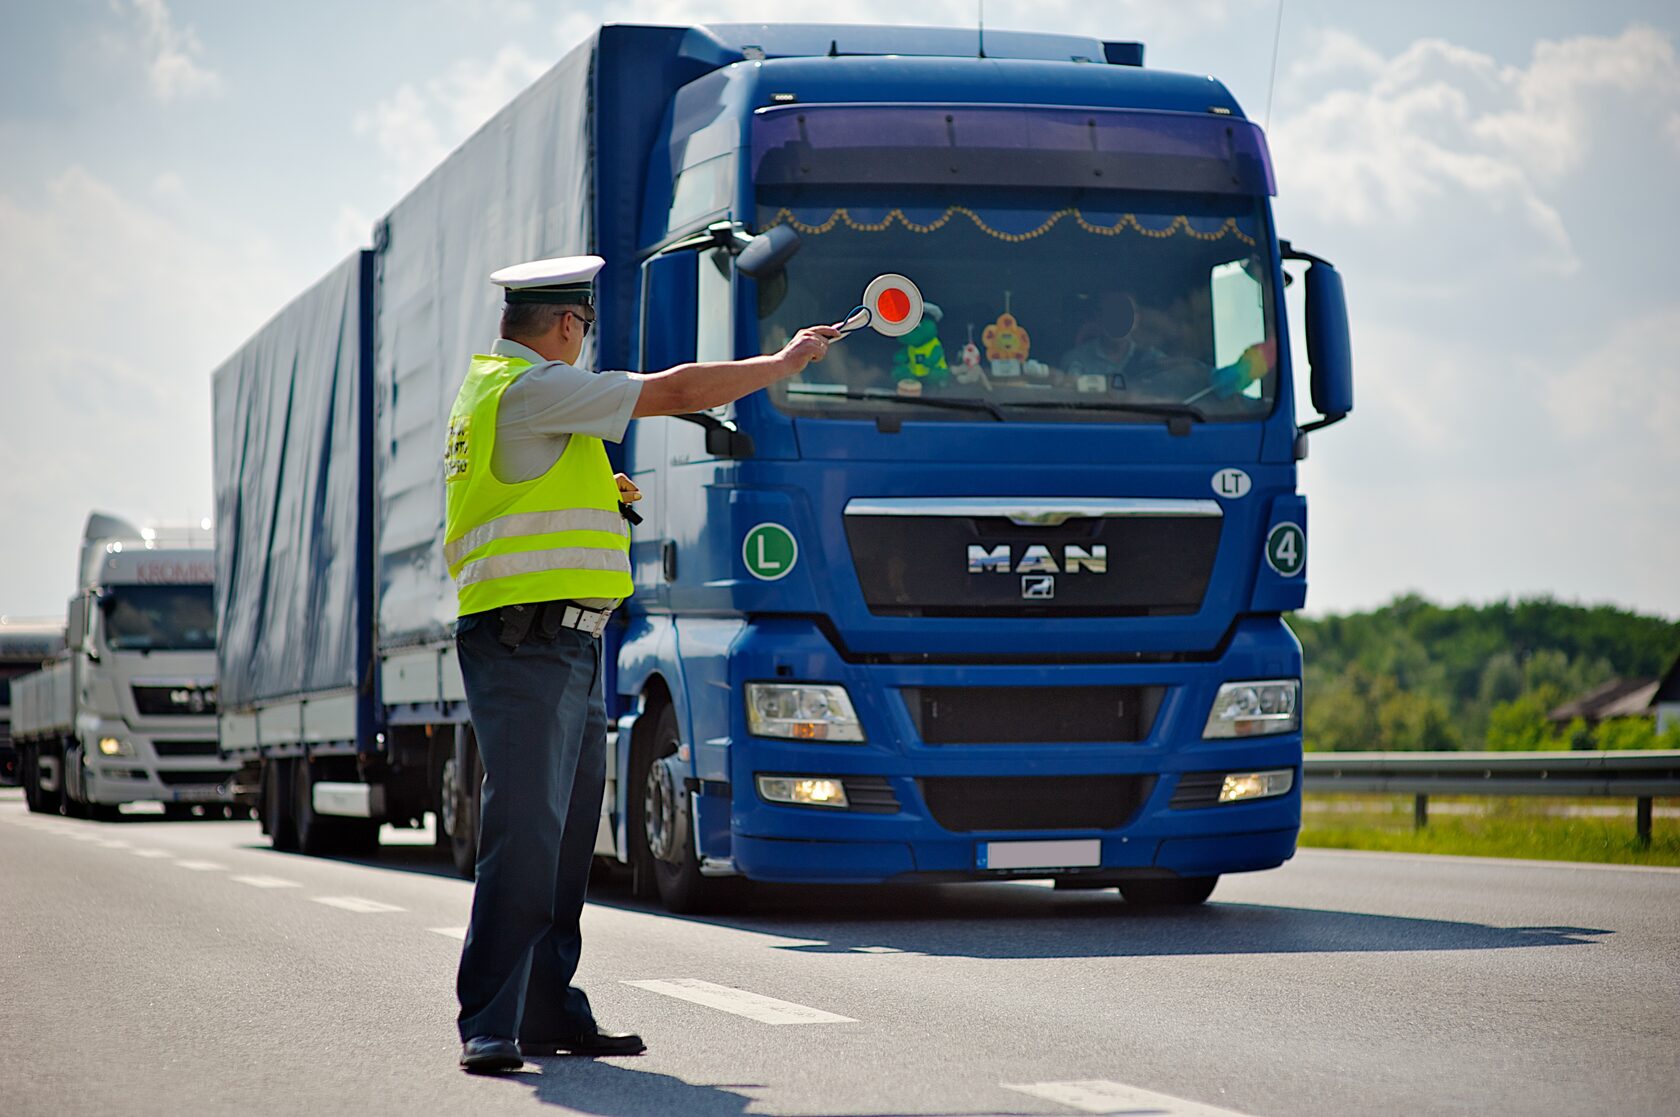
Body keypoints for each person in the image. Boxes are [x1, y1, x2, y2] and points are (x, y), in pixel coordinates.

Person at [445, 255, 839, 1074]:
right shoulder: (533, 388)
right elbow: (674, 390)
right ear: (565, 326)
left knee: (562, 842)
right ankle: (489, 1016)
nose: (586, 344)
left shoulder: (502, 393)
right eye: (585, 330)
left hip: (564, 642)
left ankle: (549, 1008)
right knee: (525, 834)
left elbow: (526, 496)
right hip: (528, 642)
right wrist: (782, 362)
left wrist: (602, 494)